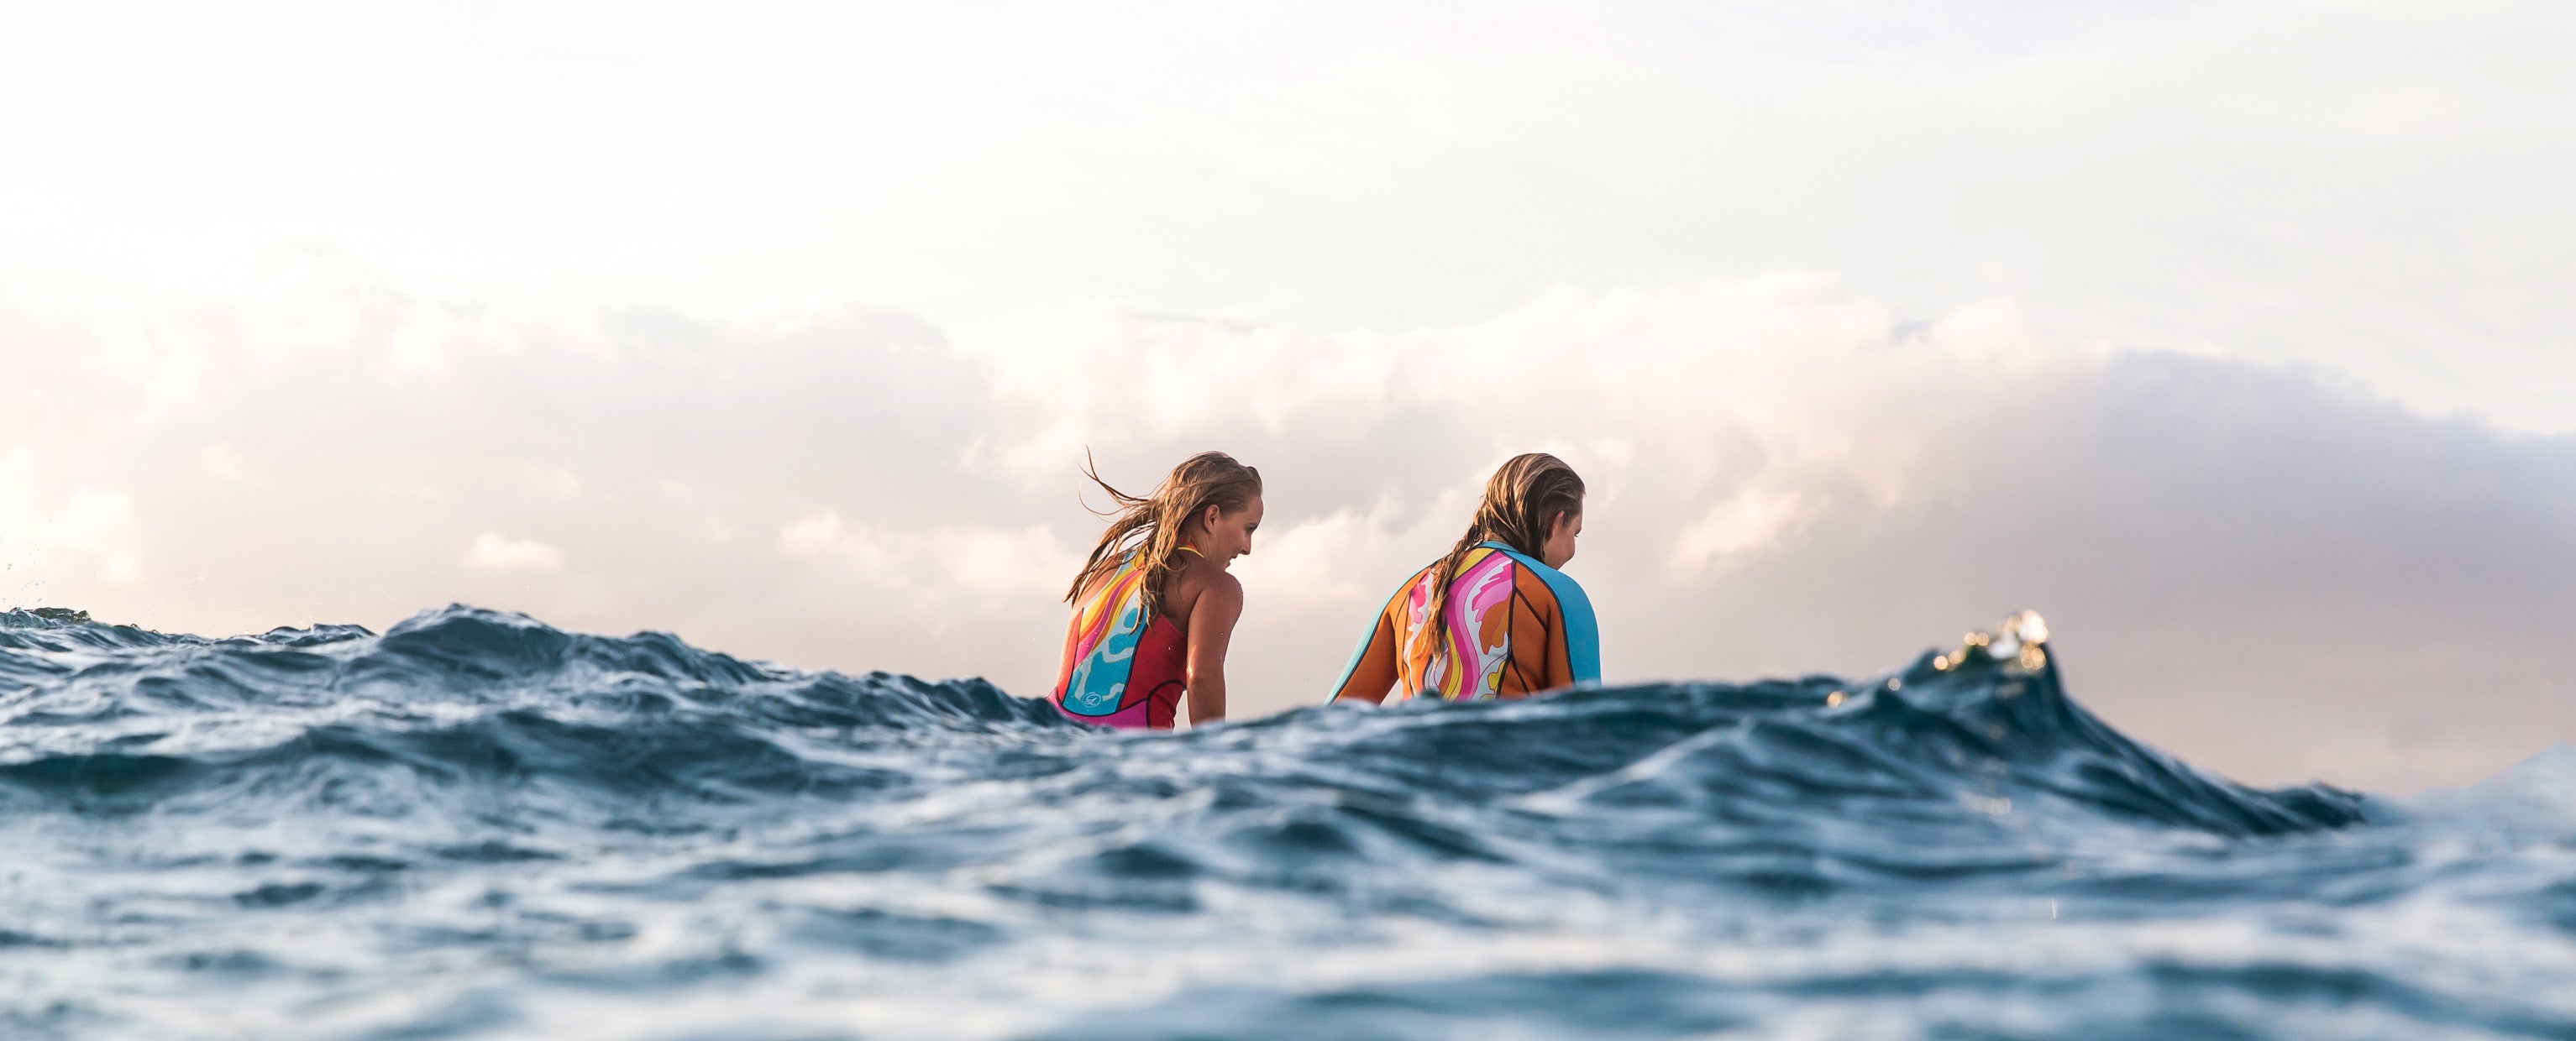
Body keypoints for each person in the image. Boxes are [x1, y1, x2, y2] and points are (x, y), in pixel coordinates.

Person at [1328, 452, 1598, 705]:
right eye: (1575, 534)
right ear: (1555, 521)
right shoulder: (1560, 594)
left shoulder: (1408, 592)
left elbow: (1331, 722)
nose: (1572, 551)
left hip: (1415, 755)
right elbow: (1584, 728)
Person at [1052, 451, 1262, 729]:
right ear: (1212, 517)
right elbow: (1201, 677)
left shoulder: (1106, 569)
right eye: (1248, 529)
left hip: (1050, 735)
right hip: (1132, 751)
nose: (1247, 548)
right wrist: (1214, 762)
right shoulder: (1217, 586)